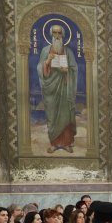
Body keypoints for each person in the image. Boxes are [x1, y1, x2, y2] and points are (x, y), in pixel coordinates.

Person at [37, 24, 78, 153]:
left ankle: (66, 143)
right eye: (54, 33)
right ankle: (54, 144)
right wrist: (47, 62)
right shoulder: (45, 51)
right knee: (52, 116)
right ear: (51, 35)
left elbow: (74, 69)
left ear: (63, 35)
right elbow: (40, 69)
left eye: (59, 33)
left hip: (65, 89)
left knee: (65, 115)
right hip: (50, 90)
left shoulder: (68, 52)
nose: (57, 36)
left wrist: (67, 71)